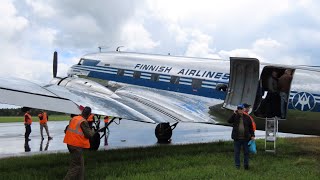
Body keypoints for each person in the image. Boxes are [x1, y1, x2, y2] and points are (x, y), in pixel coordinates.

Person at [63, 107, 95, 180]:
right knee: (76, 166)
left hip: (70, 143)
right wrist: (93, 131)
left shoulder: (74, 118)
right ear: (89, 114)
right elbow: (89, 135)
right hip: (76, 146)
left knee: (81, 163)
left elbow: (66, 130)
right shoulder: (83, 121)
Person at [228, 104, 255, 170]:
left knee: (246, 152)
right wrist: (234, 114)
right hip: (237, 138)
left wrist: (252, 135)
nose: (240, 110)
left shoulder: (247, 117)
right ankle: (237, 166)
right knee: (237, 153)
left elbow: (251, 127)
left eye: (241, 109)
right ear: (237, 109)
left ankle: (246, 166)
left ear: (243, 110)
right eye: (239, 109)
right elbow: (229, 121)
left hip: (246, 138)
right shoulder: (235, 116)